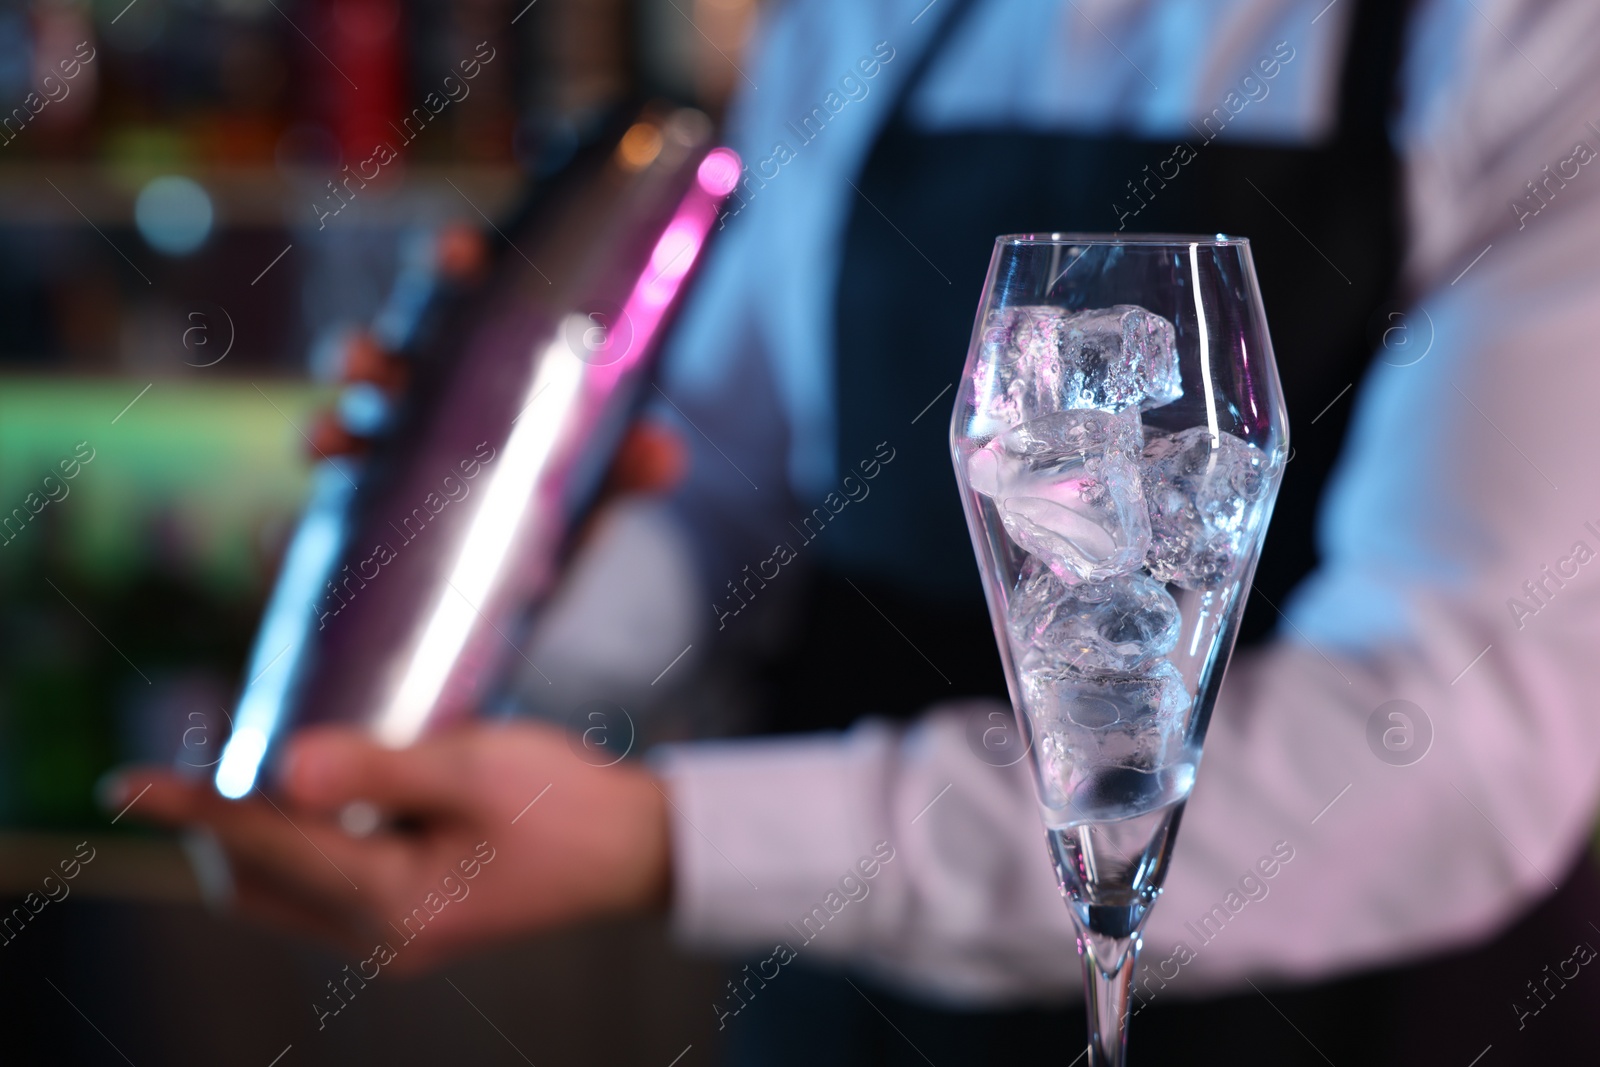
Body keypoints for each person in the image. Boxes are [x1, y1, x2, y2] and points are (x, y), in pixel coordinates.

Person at [112, 0, 1600, 1061]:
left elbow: (1451, 736)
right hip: (844, 1008)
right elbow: (725, 493)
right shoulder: (860, 18)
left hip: (1328, 1014)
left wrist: (677, 842)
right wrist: (449, 574)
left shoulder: (1539, 41)